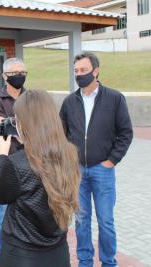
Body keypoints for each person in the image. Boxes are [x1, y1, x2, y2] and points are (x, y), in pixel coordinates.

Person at [0, 89, 81, 267]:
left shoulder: (15, 164)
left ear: (25, 124)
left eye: (17, 120)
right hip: (58, 253)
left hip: (21, 254)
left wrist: (2, 155)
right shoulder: (69, 154)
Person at [60, 52, 133, 267]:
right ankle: (85, 261)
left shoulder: (114, 98)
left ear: (96, 70)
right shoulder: (69, 102)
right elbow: (62, 134)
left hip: (103, 170)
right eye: (76, 71)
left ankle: (108, 262)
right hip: (78, 172)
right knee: (82, 222)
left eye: (83, 70)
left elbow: (126, 133)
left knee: (106, 222)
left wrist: (111, 160)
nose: (79, 75)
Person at [0, 57, 27, 260]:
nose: (20, 76)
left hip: (30, 164)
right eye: (14, 73)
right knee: (3, 216)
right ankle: (2, 258)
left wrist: (12, 124)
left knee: (27, 214)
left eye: (23, 72)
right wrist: (23, 124)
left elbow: (38, 123)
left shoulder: (31, 97)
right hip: (6, 164)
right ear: (4, 76)